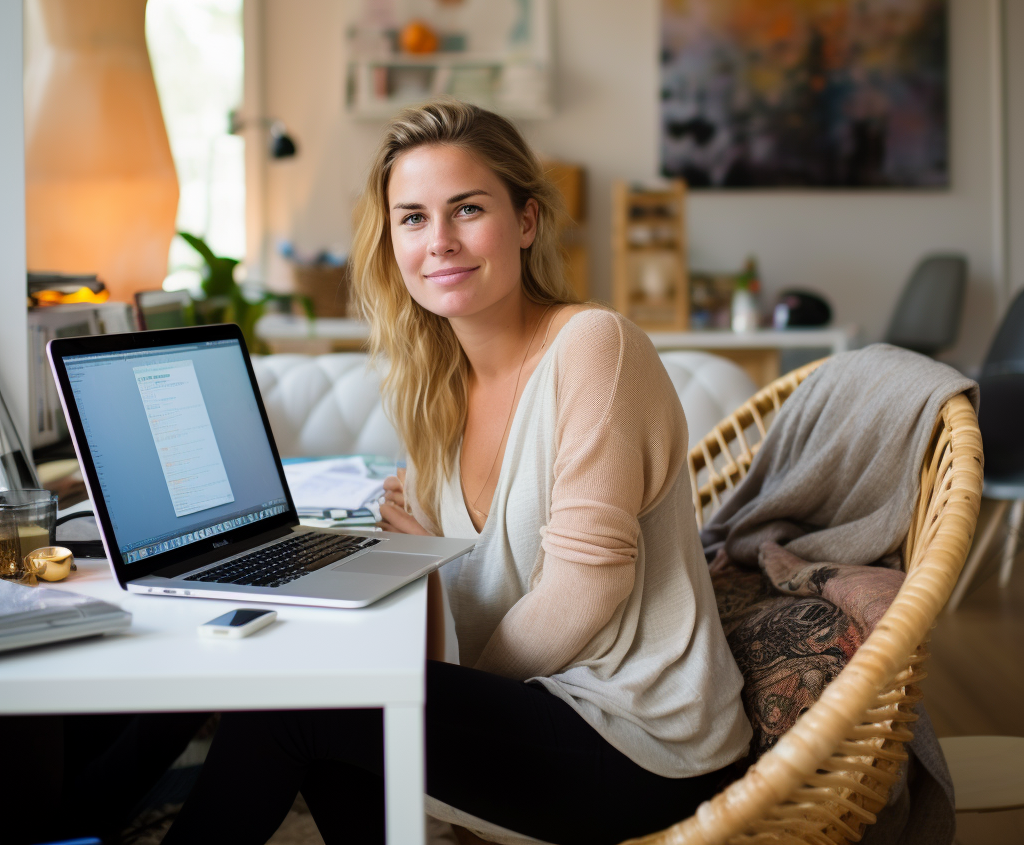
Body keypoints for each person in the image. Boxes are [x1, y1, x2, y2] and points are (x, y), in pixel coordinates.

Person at [164, 100, 751, 845]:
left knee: (299, 704)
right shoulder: (437, 389)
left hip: (641, 738)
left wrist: (438, 683)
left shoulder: (595, 347)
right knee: (308, 693)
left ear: (526, 222)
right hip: (536, 710)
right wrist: (417, 565)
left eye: (467, 209)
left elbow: (587, 585)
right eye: (411, 217)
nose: (439, 241)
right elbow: (464, 592)